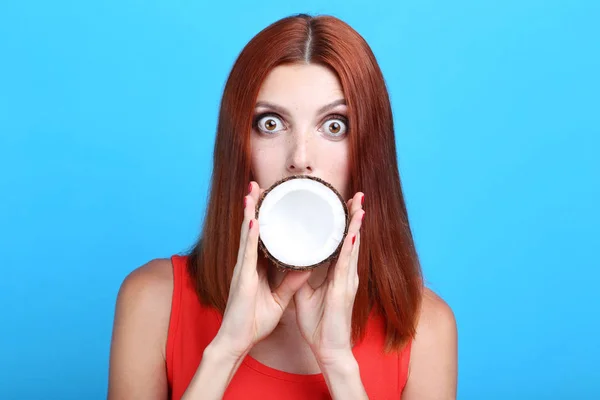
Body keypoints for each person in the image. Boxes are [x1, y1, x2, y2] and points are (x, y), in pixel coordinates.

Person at [108, 13, 457, 400]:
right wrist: (226, 350)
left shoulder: (425, 328)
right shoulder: (153, 301)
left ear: (368, 151)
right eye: (271, 124)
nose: (300, 157)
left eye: (335, 125)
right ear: (239, 145)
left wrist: (338, 364)